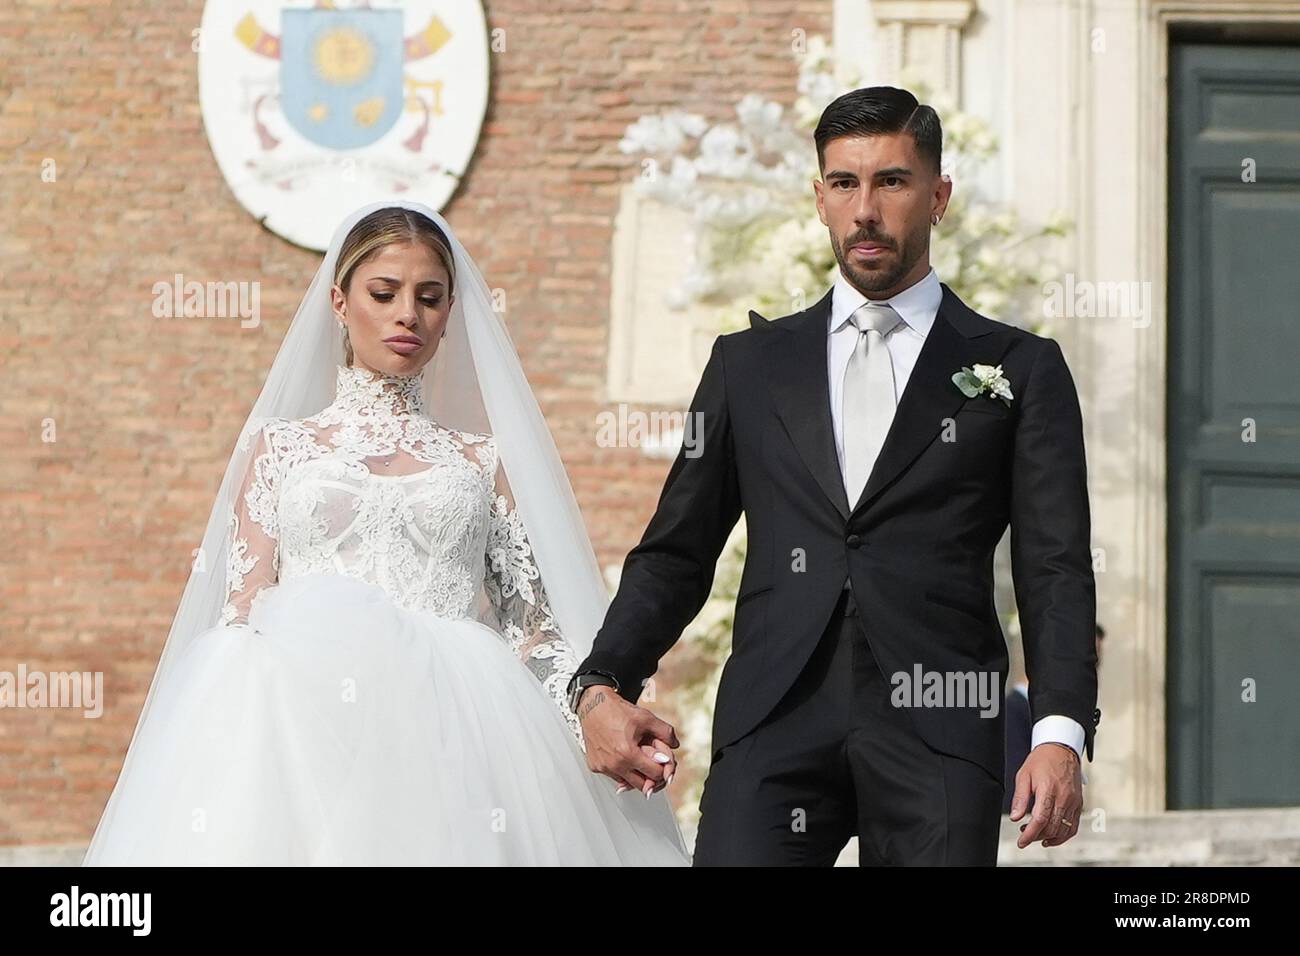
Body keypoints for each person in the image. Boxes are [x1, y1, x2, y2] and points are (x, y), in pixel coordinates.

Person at [568, 86, 1101, 865]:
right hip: (772, 719)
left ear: (939, 195)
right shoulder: (746, 366)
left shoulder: (1019, 368)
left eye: (892, 181)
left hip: (941, 722)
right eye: (844, 184)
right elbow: (677, 550)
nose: (865, 210)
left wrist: (1060, 732)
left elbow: (1055, 568)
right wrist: (603, 681)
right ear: (819, 199)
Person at [82, 201, 688, 865]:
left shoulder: (481, 460)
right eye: (384, 293)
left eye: (430, 298)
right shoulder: (281, 447)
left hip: (457, 741)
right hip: (304, 731)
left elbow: (531, 628)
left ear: (449, 312)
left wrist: (596, 712)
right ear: (340, 303)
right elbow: (245, 606)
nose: (408, 314)